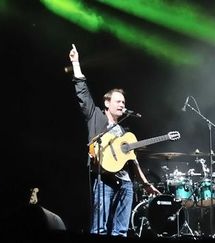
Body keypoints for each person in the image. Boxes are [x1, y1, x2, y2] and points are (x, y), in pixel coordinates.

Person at [68, 44, 161, 237]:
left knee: (120, 232)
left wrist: (144, 183)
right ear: (107, 103)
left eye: (124, 102)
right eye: (118, 101)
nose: (122, 105)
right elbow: (83, 94)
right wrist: (76, 63)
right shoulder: (96, 118)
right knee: (99, 230)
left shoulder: (125, 131)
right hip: (104, 180)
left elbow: (133, 161)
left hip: (126, 183)